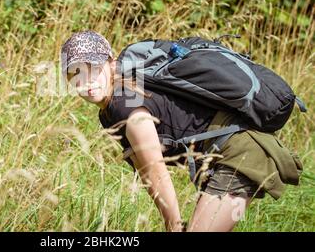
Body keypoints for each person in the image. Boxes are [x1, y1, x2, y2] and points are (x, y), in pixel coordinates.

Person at [60, 30, 303, 232]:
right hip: (226, 153)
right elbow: (145, 171)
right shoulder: (109, 110)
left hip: (241, 152)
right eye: (76, 74)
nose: (86, 82)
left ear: (111, 64)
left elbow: (154, 168)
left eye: (93, 69)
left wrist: (173, 224)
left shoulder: (124, 103)